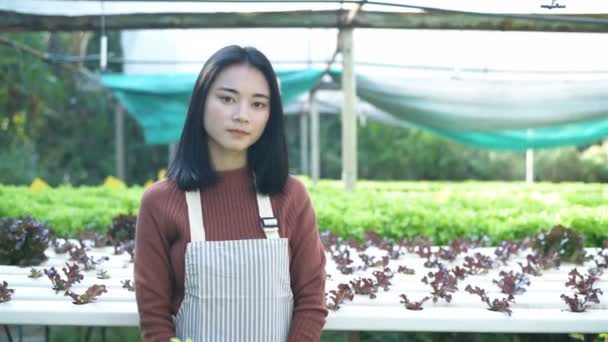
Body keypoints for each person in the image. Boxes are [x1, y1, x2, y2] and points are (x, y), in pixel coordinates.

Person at [134, 45, 328, 342]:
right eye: (227, 99)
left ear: (270, 116)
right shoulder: (160, 202)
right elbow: (154, 318)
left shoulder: (290, 196)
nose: (242, 116)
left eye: (258, 104)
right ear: (201, 102)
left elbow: (312, 301)